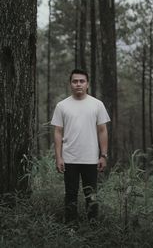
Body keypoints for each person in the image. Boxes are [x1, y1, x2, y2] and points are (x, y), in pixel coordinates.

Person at [51, 69, 110, 224]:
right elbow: (57, 132)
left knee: (91, 194)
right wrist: (58, 157)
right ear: (70, 84)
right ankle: (71, 226)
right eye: (75, 81)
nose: (78, 84)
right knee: (70, 194)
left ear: (87, 84)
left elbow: (103, 130)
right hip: (69, 158)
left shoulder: (97, 104)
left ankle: (93, 225)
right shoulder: (62, 105)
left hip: (91, 158)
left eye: (81, 81)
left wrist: (103, 155)